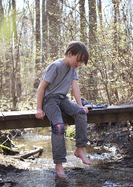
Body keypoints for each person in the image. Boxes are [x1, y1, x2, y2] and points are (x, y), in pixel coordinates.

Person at [35, 41, 91, 178]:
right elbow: (41, 88)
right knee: (59, 127)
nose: (78, 64)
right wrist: (38, 108)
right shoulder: (55, 66)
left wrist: (80, 105)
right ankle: (59, 166)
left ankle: (80, 149)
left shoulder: (73, 69)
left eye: (81, 62)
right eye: (77, 60)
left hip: (62, 99)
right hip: (49, 101)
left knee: (81, 112)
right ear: (69, 54)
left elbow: (75, 87)